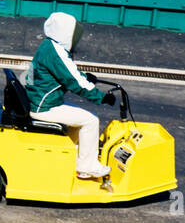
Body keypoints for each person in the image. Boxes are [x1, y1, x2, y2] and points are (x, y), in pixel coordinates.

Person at [23, 12, 116, 179]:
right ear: (66, 34)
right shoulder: (56, 52)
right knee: (91, 120)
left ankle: (78, 158)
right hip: (44, 107)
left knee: (79, 119)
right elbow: (74, 82)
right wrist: (102, 97)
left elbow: (68, 73)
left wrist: (87, 78)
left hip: (39, 101)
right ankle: (87, 167)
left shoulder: (48, 46)